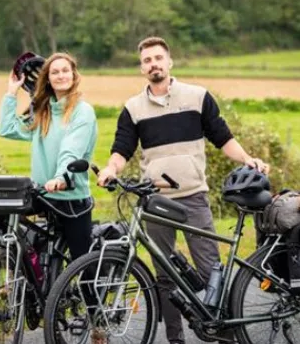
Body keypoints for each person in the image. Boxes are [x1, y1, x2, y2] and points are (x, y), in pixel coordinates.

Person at [97, 36, 269, 344]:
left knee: (209, 270)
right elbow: (122, 147)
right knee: (165, 276)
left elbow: (222, 137)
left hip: (193, 195)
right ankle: (175, 340)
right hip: (156, 200)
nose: (154, 64)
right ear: (141, 68)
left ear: (169, 61)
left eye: (158, 58)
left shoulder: (197, 96)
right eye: (147, 60)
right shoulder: (133, 108)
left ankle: (224, 332)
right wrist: (110, 169)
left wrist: (247, 159)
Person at [0, 52, 97, 262]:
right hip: (43, 194)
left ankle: (89, 294)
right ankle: (25, 279)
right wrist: (11, 93)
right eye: (55, 72)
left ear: (73, 75)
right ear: (48, 78)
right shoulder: (42, 112)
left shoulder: (82, 112)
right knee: (3, 211)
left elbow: (71, 150)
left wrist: (61, 178)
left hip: (71, 197)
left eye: (65, 71)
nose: (61, 76)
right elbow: (7, 129)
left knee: (83, 264)